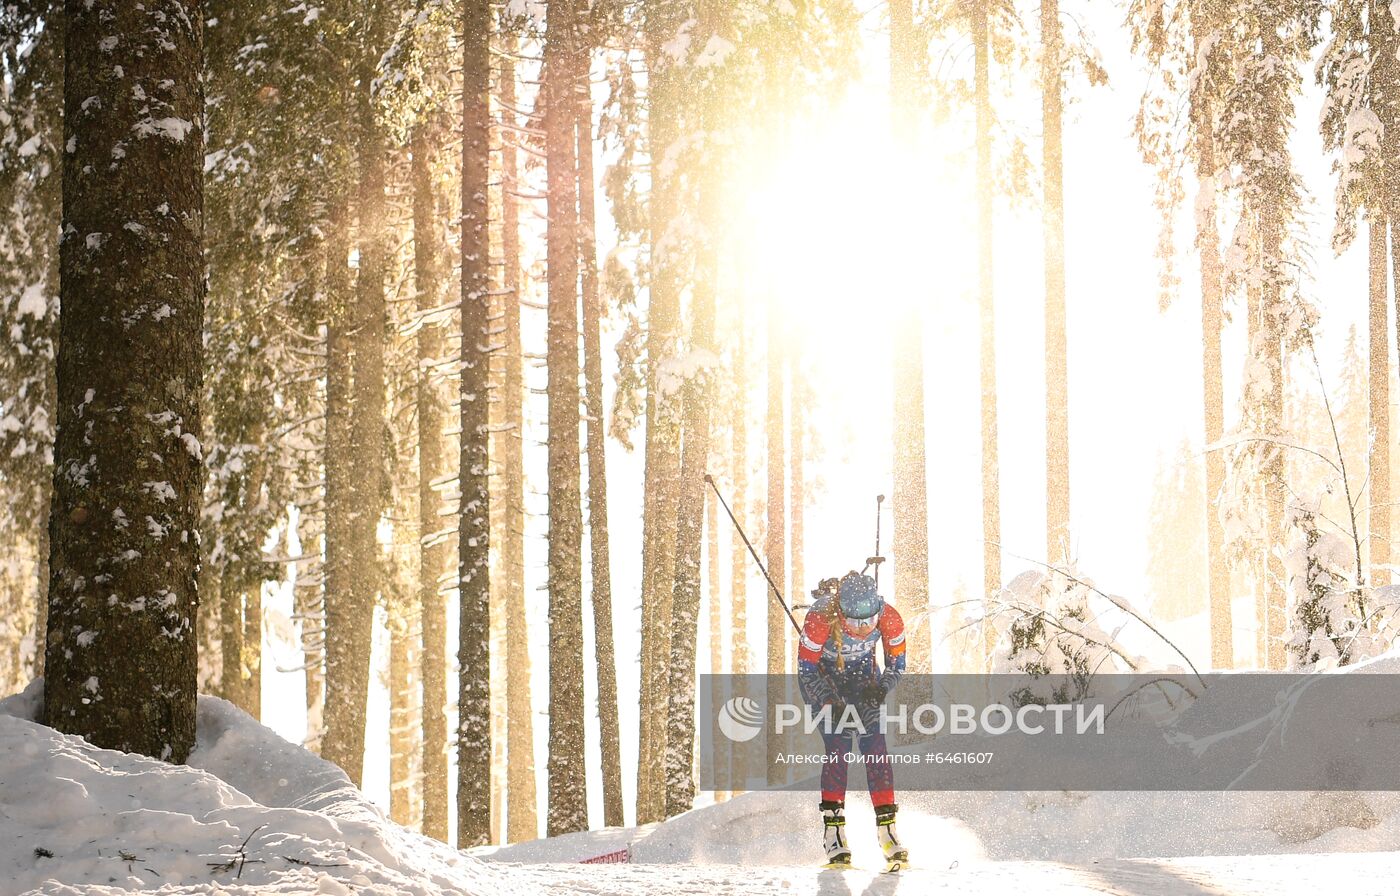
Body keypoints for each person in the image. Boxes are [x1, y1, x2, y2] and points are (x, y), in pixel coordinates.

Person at [797, 571, 909, 868]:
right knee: (839, 744)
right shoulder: (820, 618)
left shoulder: (890, 617)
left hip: (862, 682)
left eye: (870, 621)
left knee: (875, 746)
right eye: (856, 622)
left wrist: (881, 687)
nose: (864, 628)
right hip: (822, 681)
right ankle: (833, 832)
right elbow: (806, 669)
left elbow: (898, 664)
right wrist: (827, 699)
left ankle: (888, 830)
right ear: (841, 613)